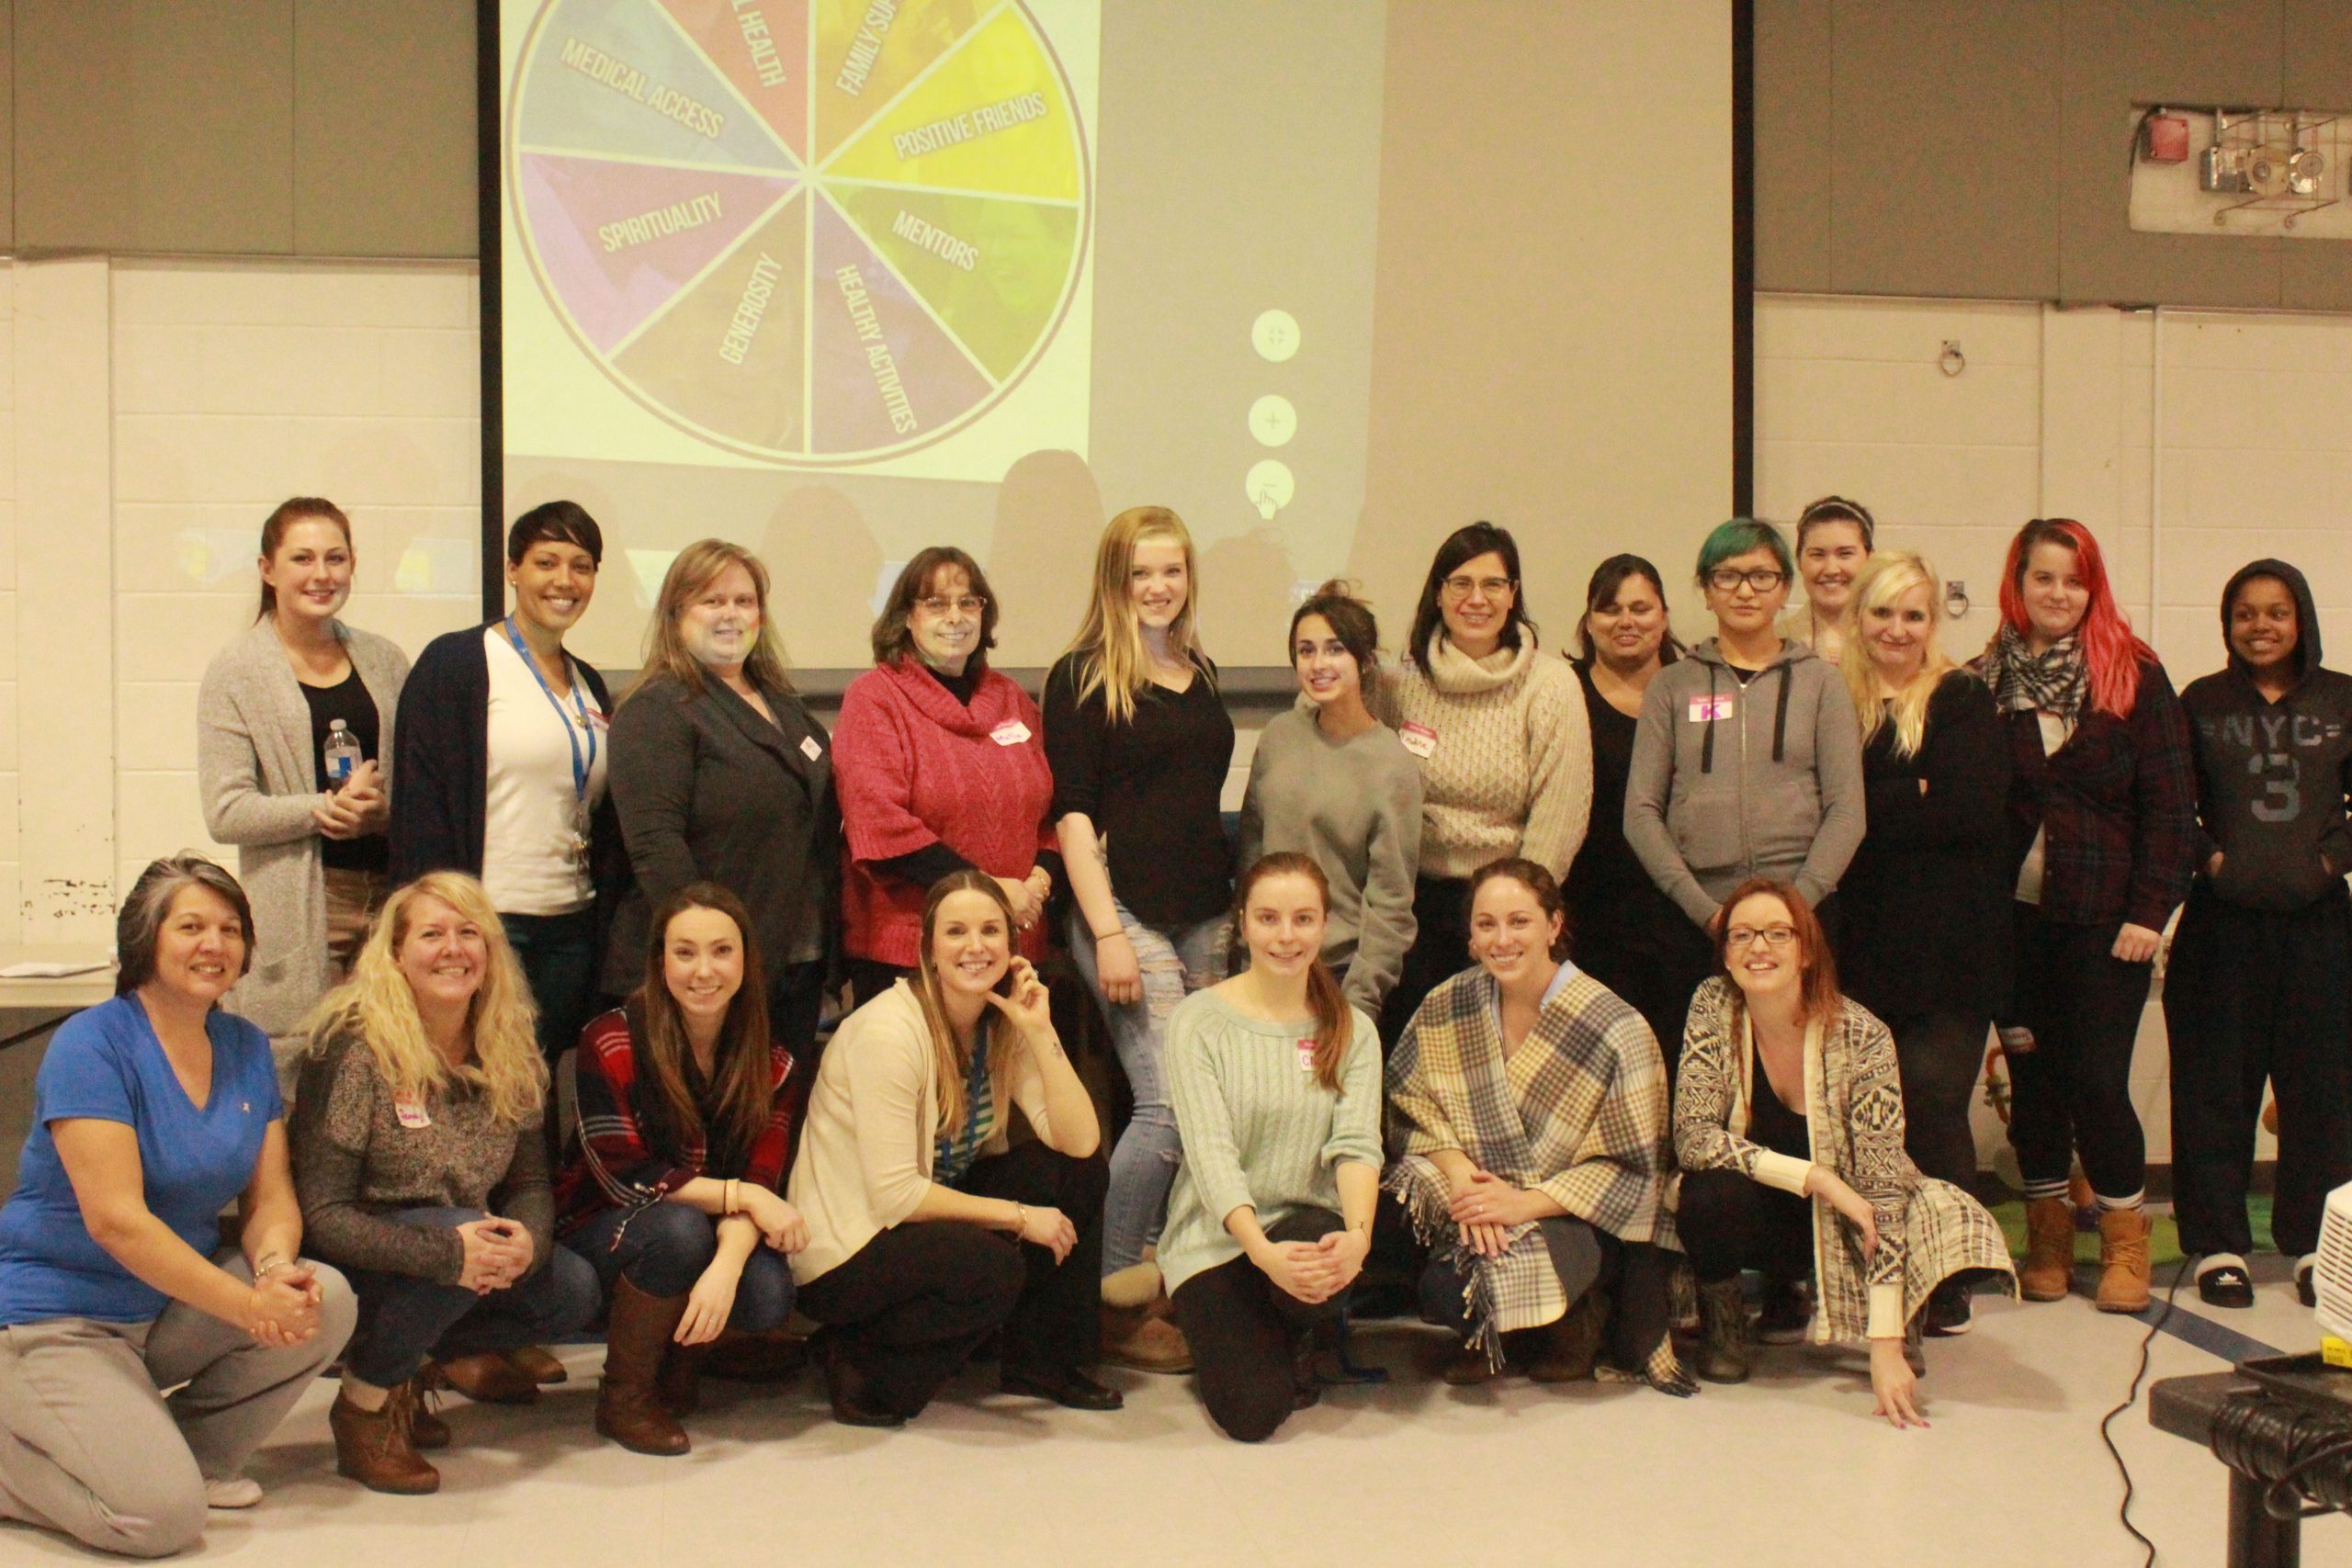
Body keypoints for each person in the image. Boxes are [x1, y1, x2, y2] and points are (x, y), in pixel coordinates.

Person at [0, 857, 355, 1558]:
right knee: (159, 1521)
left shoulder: (244, 1044)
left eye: (230, 928)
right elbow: (116, 1222)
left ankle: (192, 1459)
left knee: (326, 1297)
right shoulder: (91, 1043)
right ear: (146, 940)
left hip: (161, 1309)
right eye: (190, 926)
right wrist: (248, 1305)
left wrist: (274, 1271)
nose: (213, 944)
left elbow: (269, 1194)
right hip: (56, 1318)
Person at [291, 873, 599, 1495]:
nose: (453, 949)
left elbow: (529, 1182)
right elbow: (323, 1213)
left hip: (461, 1250)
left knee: (572, 1288)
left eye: (469, 932)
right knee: (463, 1236)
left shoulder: (510, 1046)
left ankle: (412, 1368)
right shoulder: (354, 1050)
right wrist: (446, 1251)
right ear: (396, 954)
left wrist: (528, 1242)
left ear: (491, 951)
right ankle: (363, 1404)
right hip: (361, 1258)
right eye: (431, 934)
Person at [1674, 880, 2014, 1428]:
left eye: (1777, 934)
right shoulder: (1712, 1006)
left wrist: (1885, 1344)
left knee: (1917, 1204)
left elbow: (1882, 1184)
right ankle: (1726, 1324)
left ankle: (1904, 1314)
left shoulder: (1862, 1035)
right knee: (1706, 1192)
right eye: (1742, 935)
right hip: (1774, 1207)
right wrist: (1817, 1178)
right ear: (1727, 955)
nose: (1758, 947)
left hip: (1851, 1218)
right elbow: (1693, 1137)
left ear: (1806, 951)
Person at [790, 872, 1116, 1425]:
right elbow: (896, 1196)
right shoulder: (889, 1033)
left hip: (929, 1210)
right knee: (992, 1268)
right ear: (929, 949)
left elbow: (1080, 1142)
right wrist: (1019, 1217)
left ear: (1011, 946)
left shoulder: (1001, 1021)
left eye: (991, 930)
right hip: (851, 1245)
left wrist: (1041, 1032)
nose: (975, 946)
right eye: (956, 932)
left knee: (1077, 1174)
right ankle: (855, 1352)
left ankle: (1039, 1362)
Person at [1973, 518, 2194, 1314]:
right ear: (2018, 583)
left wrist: (2150, 912)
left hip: (2109, 927)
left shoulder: (2134, 674)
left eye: (2074, 579)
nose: (2058, 593)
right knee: (2035, 1086)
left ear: (2092, 587)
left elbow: (2172, 807)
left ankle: (2125, 1240)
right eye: (2044, 577)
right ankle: (2048, 1238)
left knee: (2099, 1084)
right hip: (2014, 926)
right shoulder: (1981, 681)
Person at [1043, 505, 1233, 1370]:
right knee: (1165, 1104)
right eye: (1141, 573)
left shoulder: (1203, 670)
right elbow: (1074, 815)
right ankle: (1105, 1296)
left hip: (1208, 912)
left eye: (1172, 570)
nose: (1158, 587)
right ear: (1114, 580)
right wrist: (1107, 931)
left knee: (1210, 1106)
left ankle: (1165, 1276)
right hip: (1126, 912)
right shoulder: (1081, 675)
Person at [1385, 858, 1689, 1395]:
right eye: (1486, 924)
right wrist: (1463, 1179)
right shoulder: (1447, 1004)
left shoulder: (1615, 1025)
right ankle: (1499, 1332)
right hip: (1475, 1204)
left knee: (1509, 1273)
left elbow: (1635, 1168)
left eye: (1519, 921)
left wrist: (1522, 1204)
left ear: (1554, 925)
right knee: (1436, 1276)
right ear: (1471, 936)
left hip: (1569, 1216)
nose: (1502, 940)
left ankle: (1577, 1316)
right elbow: (1408, 1105)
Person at [558, 883, 805, 1452]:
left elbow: (761, 1181)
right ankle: (623, 1400)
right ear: (660, 960)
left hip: (708, 1225)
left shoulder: (774, 1060)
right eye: (685, 952)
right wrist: (744, 1197)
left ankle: (680, 1357)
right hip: (601, 1224)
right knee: (677, 1230)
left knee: (766, 1292)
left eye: (722, 951)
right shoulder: (611, 1038)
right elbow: (626, 1177)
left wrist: (726, 1266)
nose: (704, 971)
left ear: (746, 960)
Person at [2166, 559, 2352, 1310]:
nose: (2261, 626)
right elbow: (2171, 802)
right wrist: (2211, 859)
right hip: (2221, 925)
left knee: (2323, 1089)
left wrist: (2330, 861)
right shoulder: (2200, 701)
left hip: (2320, 925)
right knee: (2214, 1084)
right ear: (2227, 622)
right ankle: (2218, 1245)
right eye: (2245, 613)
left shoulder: (2342, 698)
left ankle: (2313, 1246)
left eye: (2277, 611)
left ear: (2301, 618)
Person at [1835, 550, 2011, 1336]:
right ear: (1858, 617)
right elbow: (1823, 811)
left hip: (1952, 952)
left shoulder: (1962, 698)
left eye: (1913, 614)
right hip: (1858, 945)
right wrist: (1910, 792)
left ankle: (1951, 1271)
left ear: (1931, 622)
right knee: (1867, 1115)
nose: (1897, 629)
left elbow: (1972, 811)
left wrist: (1866, 807)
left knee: (1933, 1103)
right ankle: (1876, 1264)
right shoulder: (1832, 697)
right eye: (1883, 612)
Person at [390, 500, 621, 1087]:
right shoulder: (458, 664)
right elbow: (421, 806)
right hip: (487, 924)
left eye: (581, 566)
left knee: (537, 1086)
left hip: (569, 921)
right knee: (471, 1082)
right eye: (547, 562)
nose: (564, 580)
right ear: (513, 569)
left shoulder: (589, 683)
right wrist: (442, 924)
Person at [1624, 518, 1866, 1071]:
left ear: (1784, 589)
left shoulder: (1822, 683)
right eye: (1727, 576)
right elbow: (1640, 812)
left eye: (1761, 576)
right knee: (1700, 1074)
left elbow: (1847, 810)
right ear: (1706, 590)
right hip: (1697, 921)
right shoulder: (1671, 686)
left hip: (1803, 918)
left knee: (1803, 1072)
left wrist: (1793, 911)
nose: (1745, 591)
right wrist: (1706, 911)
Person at [605, 540, 837, 1113]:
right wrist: (713, 955)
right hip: (708, 979)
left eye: (744, 601)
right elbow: (656, 848)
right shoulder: (657, 709)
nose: (731, 614)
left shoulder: (781, 702)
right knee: (708, 1131)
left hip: (792, 959)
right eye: (712, 601)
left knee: (773, 1128)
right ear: (675, 613)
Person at [1160, 854, 1383, 1442]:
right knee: (1254, 1415)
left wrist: (1358, 1240)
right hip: (1219, 1238)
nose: (1287, 936)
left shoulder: (1353, 1029)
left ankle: (1298, 1324)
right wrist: (1260, 1253)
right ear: (1243, 924)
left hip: (1306, 1225)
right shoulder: (1197, 1021)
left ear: (1325, 925)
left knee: (1319, 1246)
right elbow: (1210, 1153)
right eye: (1269, 918)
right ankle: (1243, 1324)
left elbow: (1357, 1146)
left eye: (1303, 919)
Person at [198, 496, 410, 1070]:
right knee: (299, 1071)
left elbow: (417, 785)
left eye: (335, 558)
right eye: (303, 558)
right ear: (268, 569)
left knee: (389, 1069)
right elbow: (225, 810)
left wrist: (382, 811)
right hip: (303, 903)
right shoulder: (237, 671)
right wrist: (322, 809)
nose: (322, 574)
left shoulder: (386, 660)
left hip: (389, 898)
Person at [1373, 523, 1590, 1045]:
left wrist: (1505, 920)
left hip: (1508, 912)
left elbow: (1560, 816)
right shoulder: (1396, 683)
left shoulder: (1550, 685)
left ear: (1513, 594)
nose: (1477, 599)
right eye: (1461, 583)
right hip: (1411, 909)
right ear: (1438, 593)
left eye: (1493, 584)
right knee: (1412, 1059)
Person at [834, 547, 1057, 1007]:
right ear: (906, 618)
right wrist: (991, 893)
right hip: (911, 954)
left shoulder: (1014, 699)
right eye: (936, 604)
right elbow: (879, 824)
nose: (955, 616)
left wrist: (1037, 885)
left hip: (1015, 948)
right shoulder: (874, 699)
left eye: (967, 602)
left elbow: (1051, 815)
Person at [1236, 581, 1422, 1018]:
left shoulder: (1392, 765)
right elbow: (1250, 854)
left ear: (1365, 661)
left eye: (1335, 649)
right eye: (1306, 651)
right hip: (1263, 965)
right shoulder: (1278, 736)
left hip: (1338, 973)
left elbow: (1391, 903)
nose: (1319, 664)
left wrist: (1358, 1003)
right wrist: (1245, 956)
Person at [1565, 554, 1694, 1053]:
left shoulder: (1695, 690)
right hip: (1587, 914)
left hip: (1680, 912)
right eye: (1610, 609)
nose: (1626, 621)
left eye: (1640, 608)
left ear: (1663, 617)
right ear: (1588, 620)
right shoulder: (1563, 692)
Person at [1779, 495, 1877, 662]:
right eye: (1817, 555)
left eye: (1845, 554)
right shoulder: (1778, 640)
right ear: (1799, 561)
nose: (1831, 570)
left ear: (1870, 559)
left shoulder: (1889, 640)